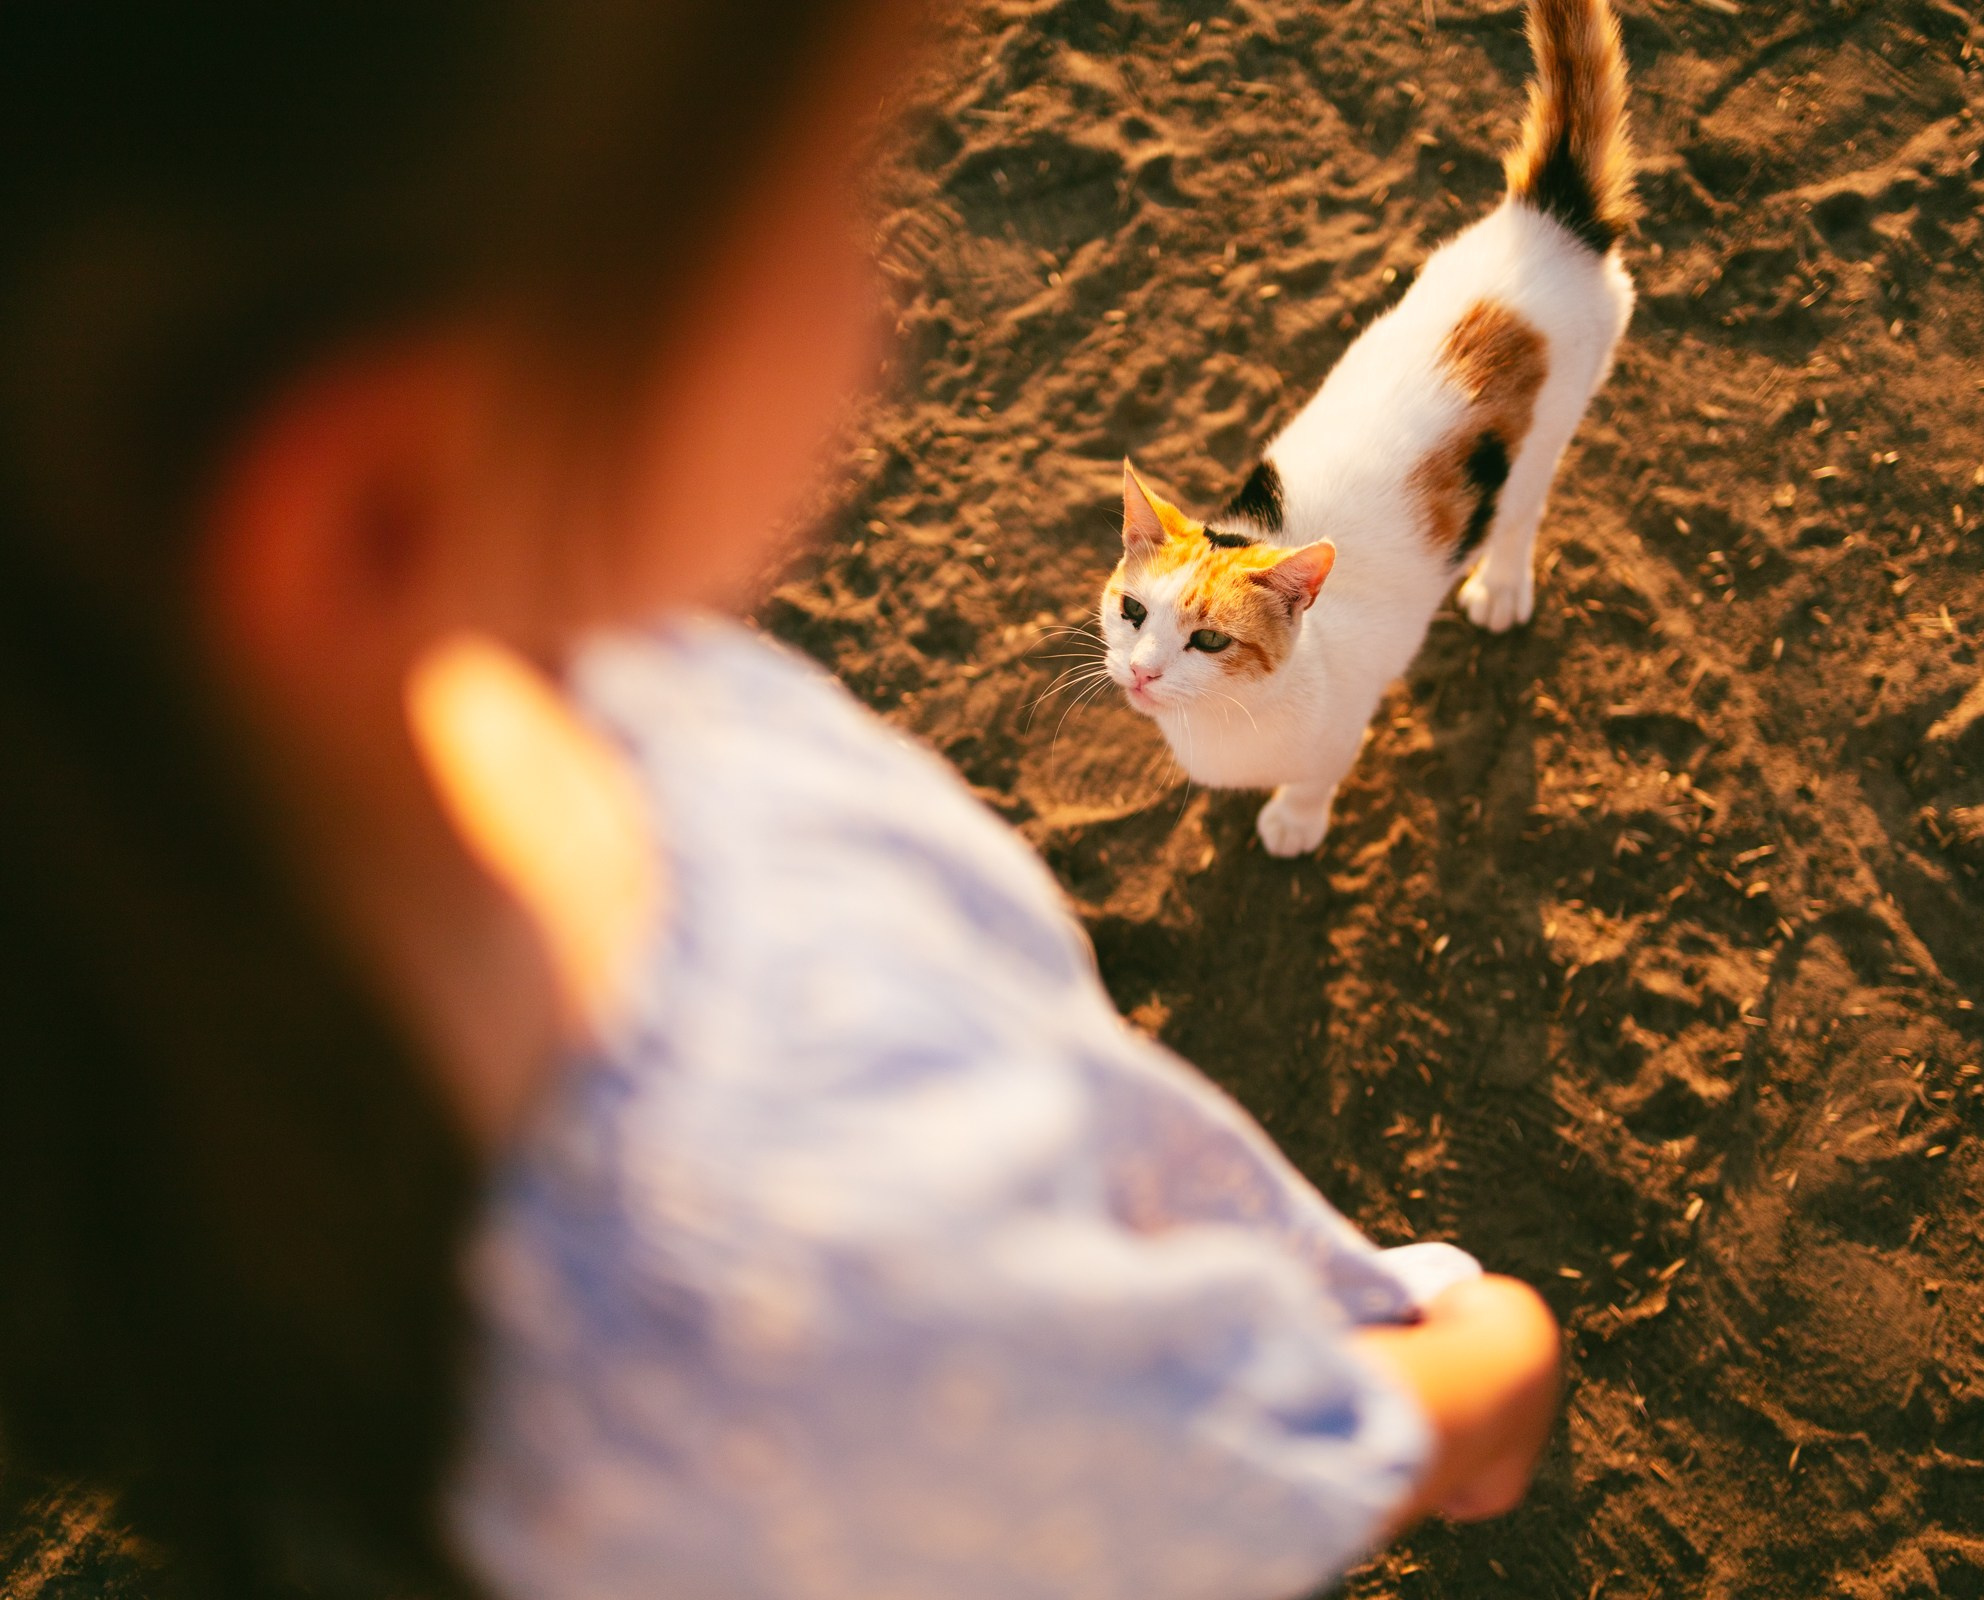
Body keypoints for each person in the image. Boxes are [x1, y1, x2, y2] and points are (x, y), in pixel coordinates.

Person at [0, 3, 1563, 1596]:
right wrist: (1493, 1356)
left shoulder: (490, 726)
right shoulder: (840, 1278)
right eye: (801, 206)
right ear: (368, 500)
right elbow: (1299, 1459)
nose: (875, 304)